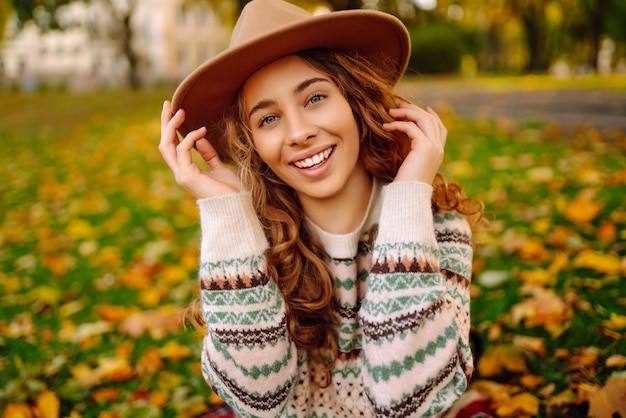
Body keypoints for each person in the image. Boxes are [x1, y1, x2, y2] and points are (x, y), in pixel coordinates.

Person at [159, 0, 484, 416]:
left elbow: (409, 399)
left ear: (354, 98)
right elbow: (256, 401)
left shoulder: (439, 229)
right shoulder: (250, 242)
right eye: (268, 120)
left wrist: (409, 196)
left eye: (314, 98)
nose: (298, 133)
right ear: (253, 145)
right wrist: (225, 212)